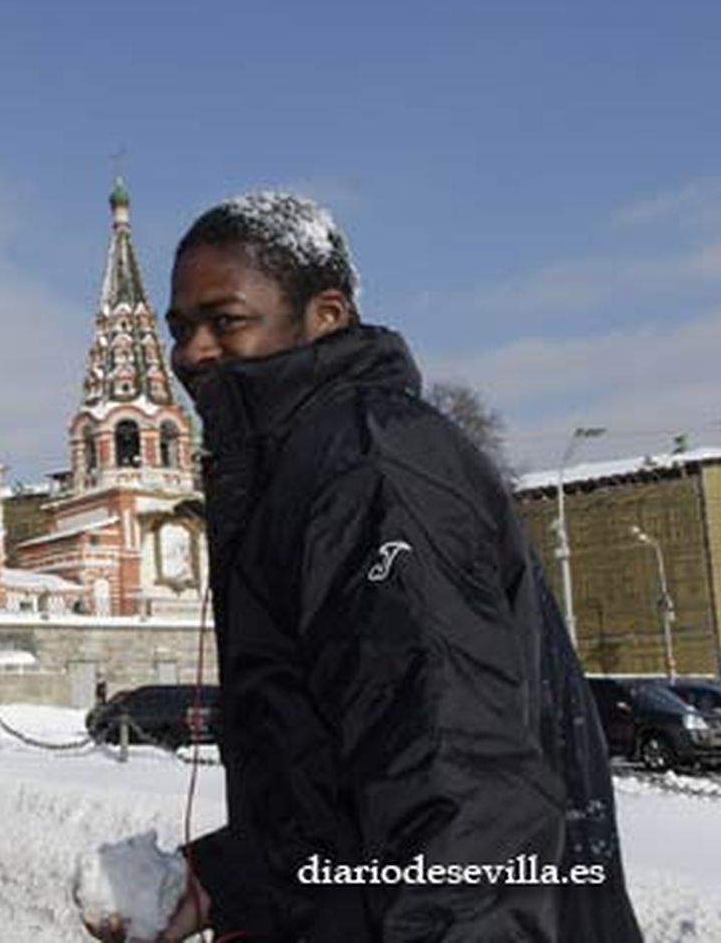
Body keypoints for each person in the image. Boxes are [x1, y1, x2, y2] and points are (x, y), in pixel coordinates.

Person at [84, 191, 640, 942]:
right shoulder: (303, 466)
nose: (192, 352)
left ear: (327, 314)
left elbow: (457, 787)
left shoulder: (372, 471)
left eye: (227, 320)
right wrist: (226, 881)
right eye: (180, 329)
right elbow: (345, 789)